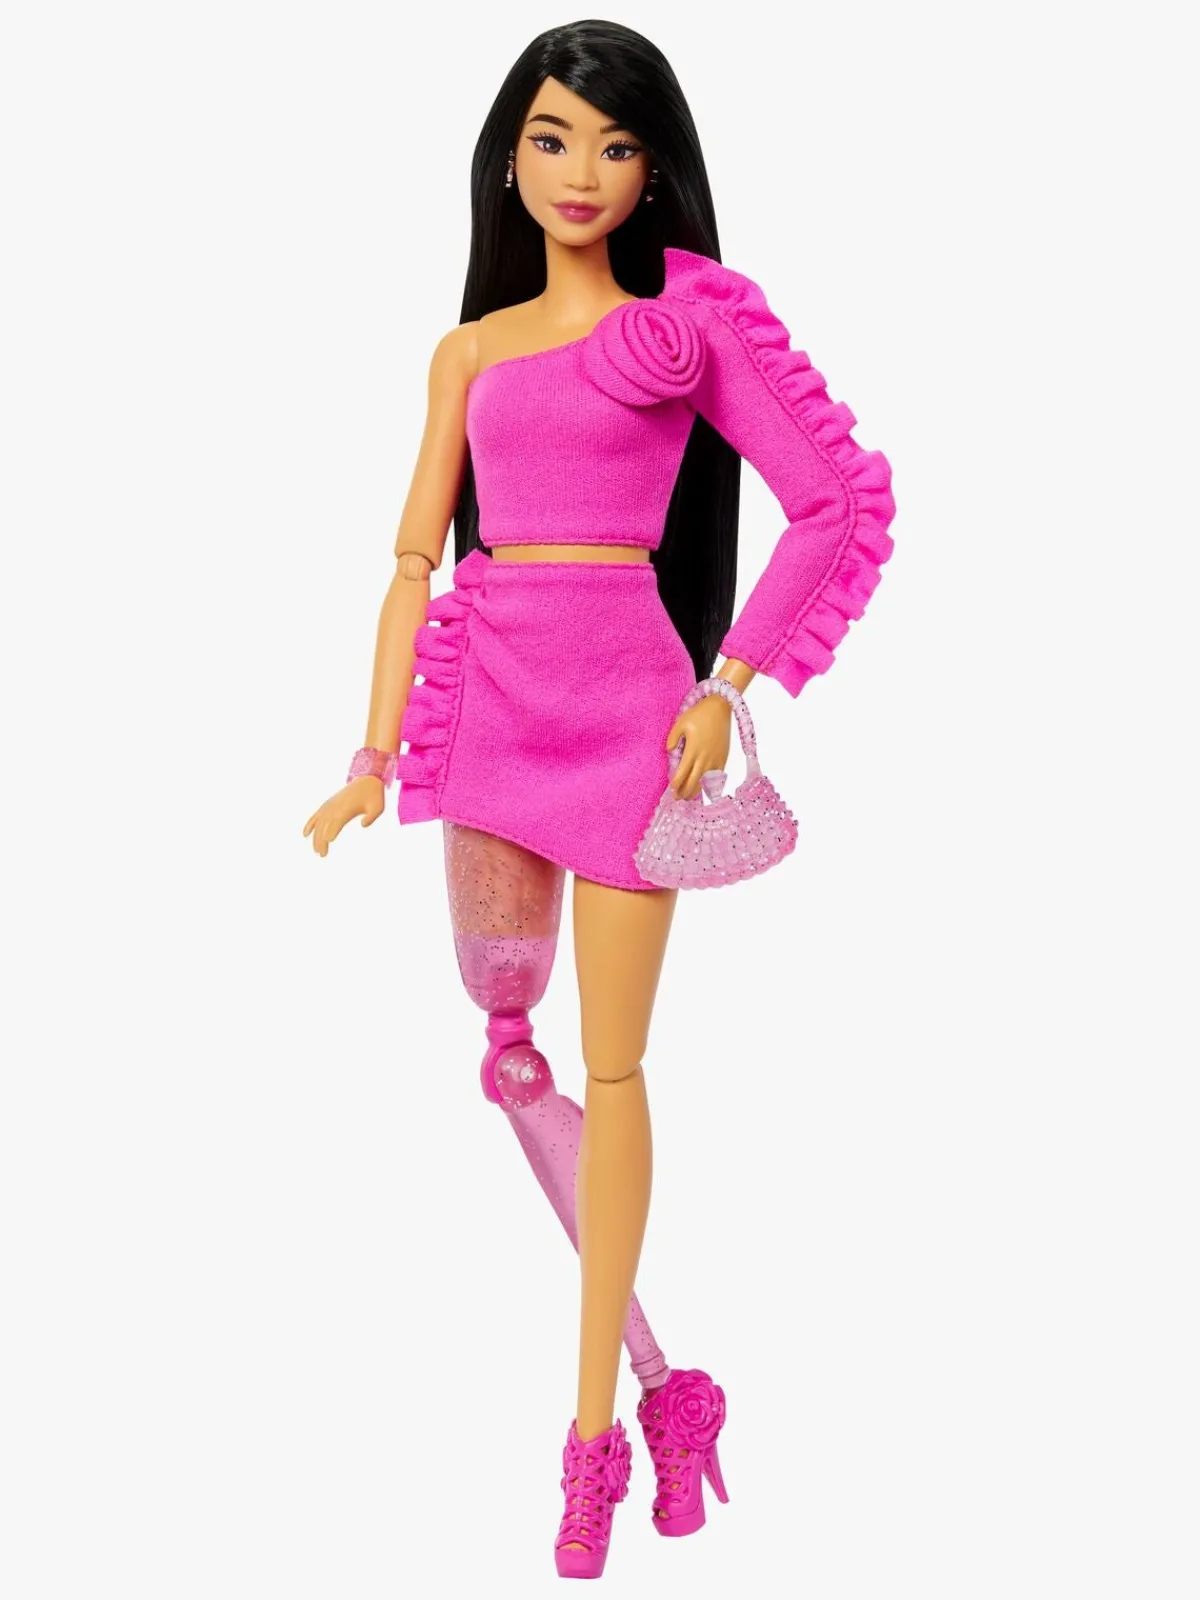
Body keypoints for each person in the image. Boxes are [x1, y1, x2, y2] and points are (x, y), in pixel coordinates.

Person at [303, 19, 896, 1580]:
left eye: (618, 145)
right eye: (555, 138)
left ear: (654, 172)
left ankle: (595, 1439)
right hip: (493, 698)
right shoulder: (468, 351)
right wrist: (372, 754)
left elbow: (833, 501)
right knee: (511, 1057)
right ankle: (668, 1380)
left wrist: (730, 682)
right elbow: (411, 560)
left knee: (617, 1071)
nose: (584, 171)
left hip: (635, 714)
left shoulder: (683, 331)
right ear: (510, 158)